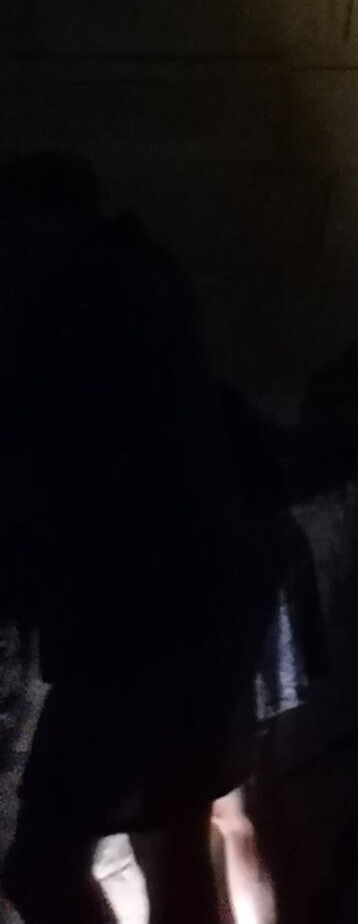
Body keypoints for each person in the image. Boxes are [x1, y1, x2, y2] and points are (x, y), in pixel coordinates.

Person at [0, 153, 289, 924]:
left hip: (134, 620)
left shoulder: (76, 301)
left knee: (44, 864)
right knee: (174, 840)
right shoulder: (143, 277)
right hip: (202, 600)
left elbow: (47, 451)